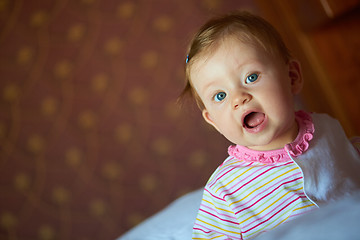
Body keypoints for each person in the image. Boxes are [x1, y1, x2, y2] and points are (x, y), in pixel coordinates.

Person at [180, 11, 360, 240]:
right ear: (213, 121)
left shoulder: (327, 128)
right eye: (220, 95)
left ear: (292, 77)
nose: (239, 98)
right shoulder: (224, 191)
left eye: (251, 77)